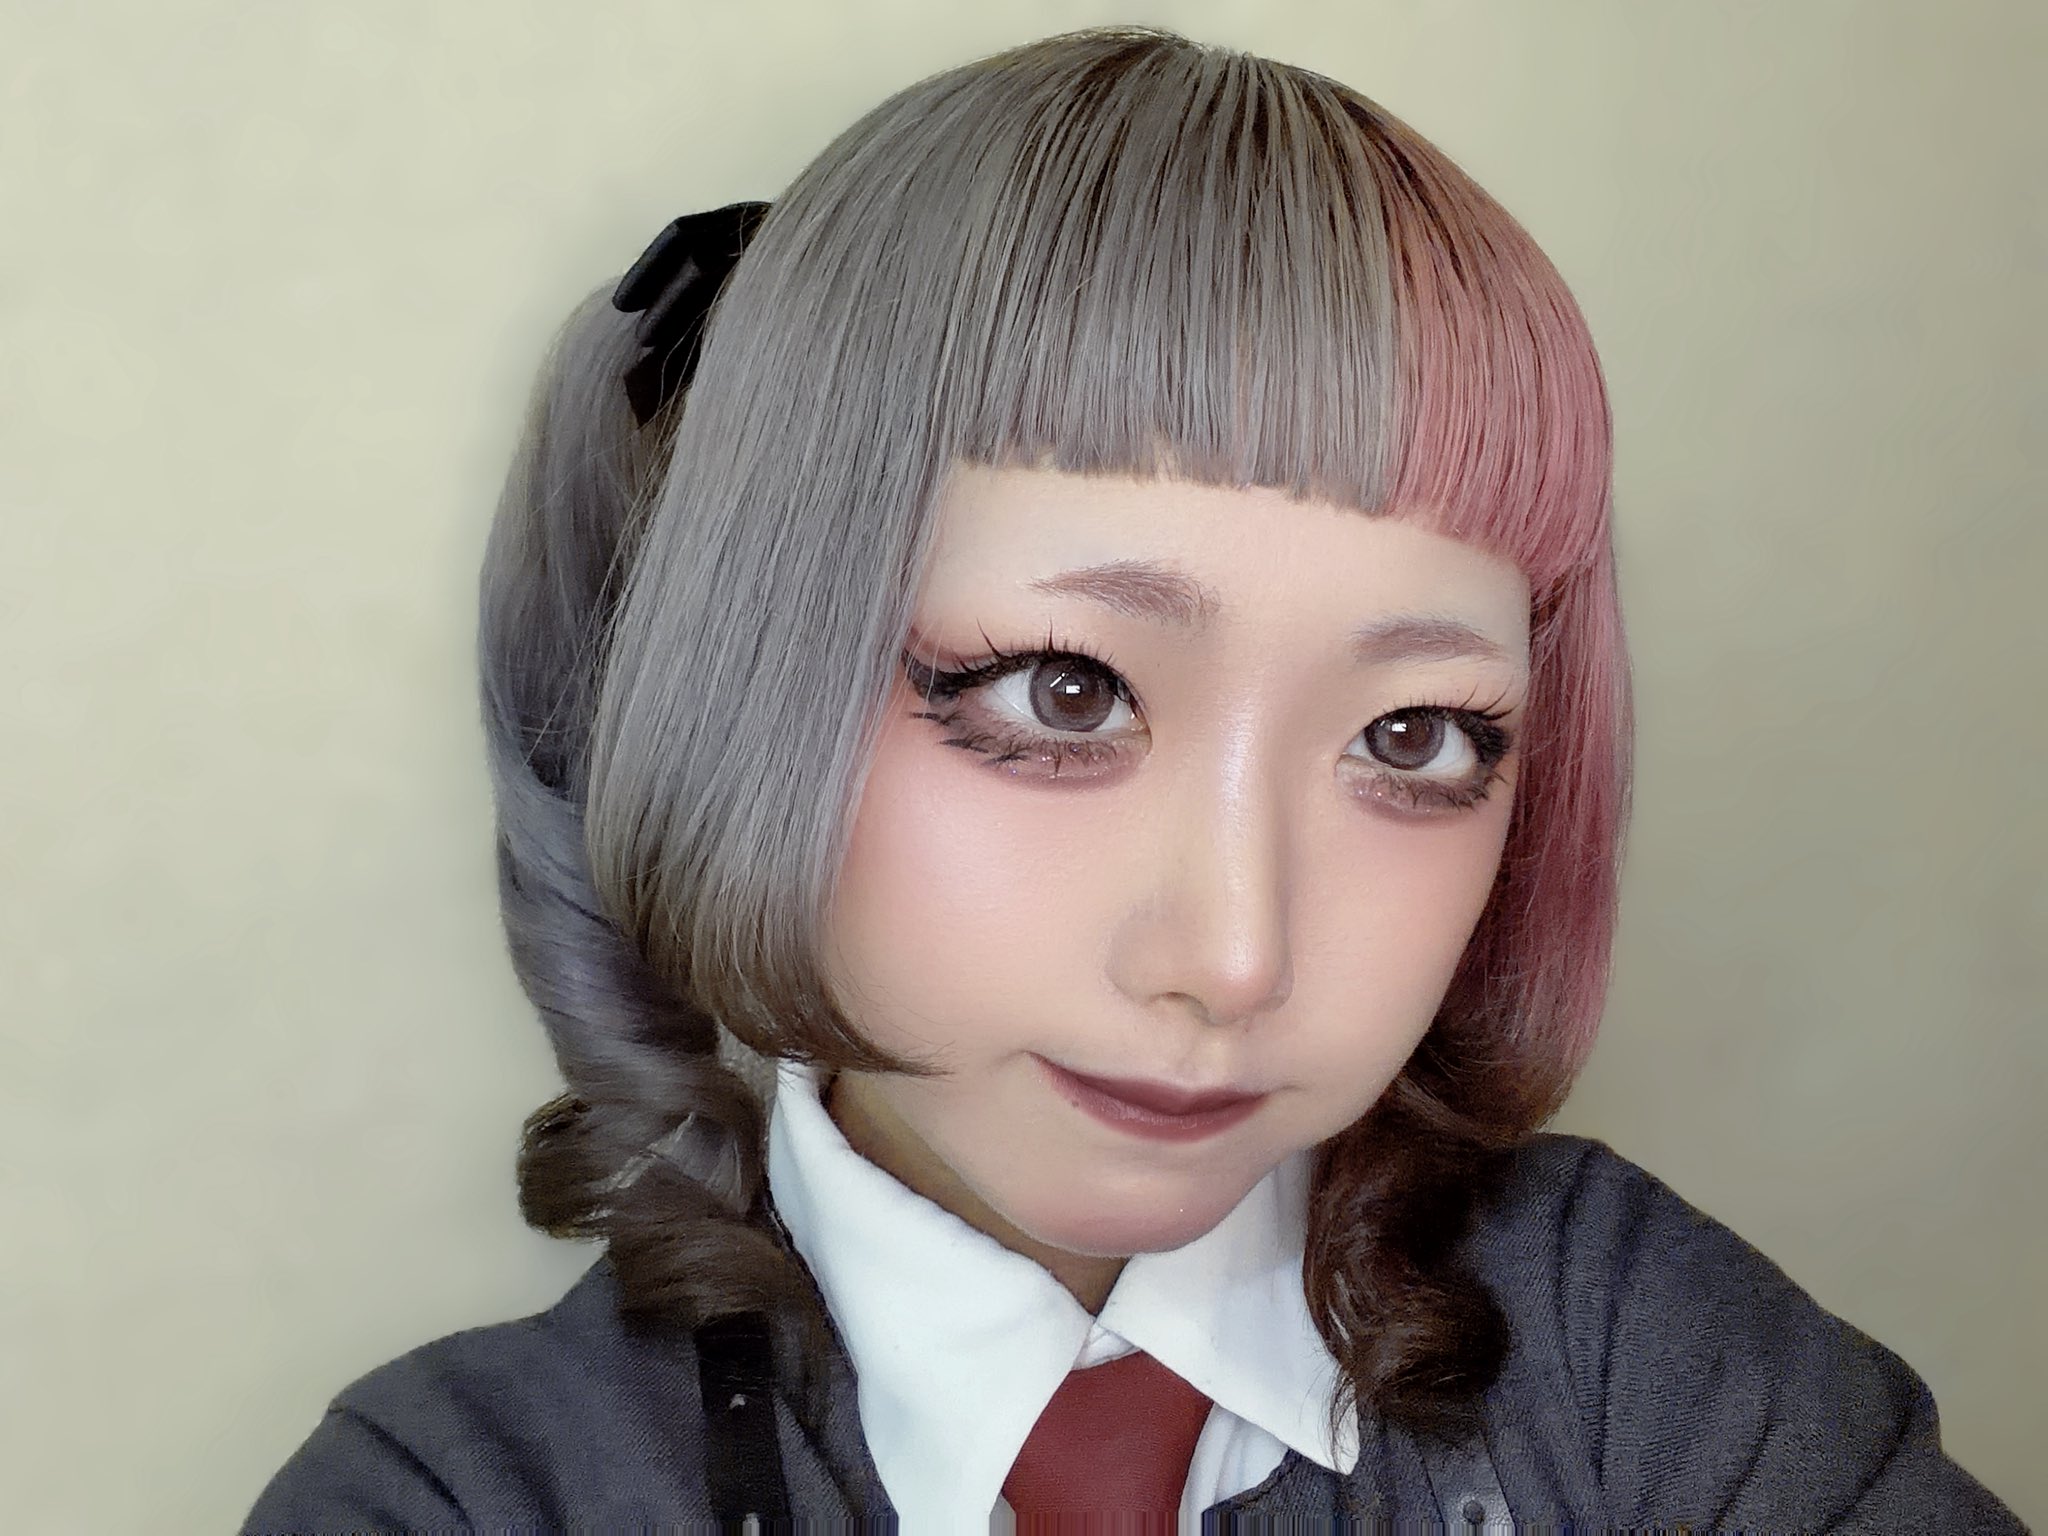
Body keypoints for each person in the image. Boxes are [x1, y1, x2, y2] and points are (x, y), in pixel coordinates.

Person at [240, 25, 2027, 1533]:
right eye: (1067, 691)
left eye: (1415, 738)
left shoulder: (1630, 1345)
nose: (1236, 958)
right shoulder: (466, 1497)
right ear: (750, 673)